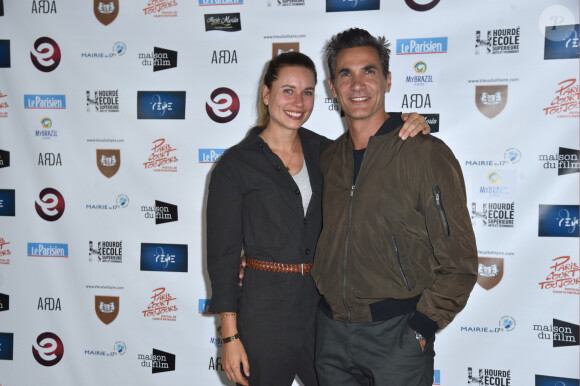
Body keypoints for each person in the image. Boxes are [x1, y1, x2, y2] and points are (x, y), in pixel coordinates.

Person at [206, 52, 429, 386]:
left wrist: (408, 124)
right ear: (267, 95)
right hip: (264, 313)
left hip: (324, 312)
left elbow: (375, 151)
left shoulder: (328, 152)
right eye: (288, 90)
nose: (299, 101)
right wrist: (230, 338)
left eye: (307, 92)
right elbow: (223, 258)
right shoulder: (235, 165)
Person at [310, 28, 478, 386]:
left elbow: (460, 260)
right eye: (346, 73)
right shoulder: (329, 158)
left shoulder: (424, 152)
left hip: (397, 336)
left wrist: (422, 327)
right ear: (332, 86)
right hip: (331, 335)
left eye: (368, 71)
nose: (357, 84)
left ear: (387, 80)